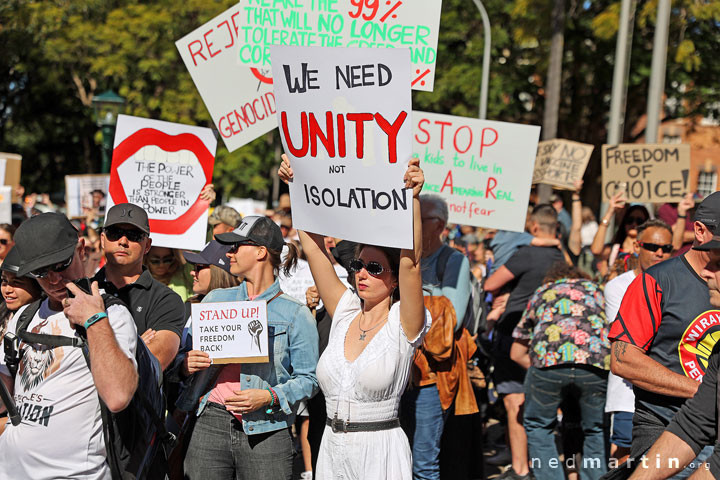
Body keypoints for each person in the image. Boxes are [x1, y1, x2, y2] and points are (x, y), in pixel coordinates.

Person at [279, 154, 430, 480]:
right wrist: (298, 184)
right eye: (358, 265)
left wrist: (413, 200)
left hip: (380, 450)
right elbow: (315, 247)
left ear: (393, 280)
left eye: (374, 267)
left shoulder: (403, 324)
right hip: (332, 447)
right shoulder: (346, 310)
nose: (362, 273)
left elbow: (411, 264)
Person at [179, 214, 319, 480]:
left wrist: (270, 396)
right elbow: (181, 362)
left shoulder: (295, 313)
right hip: (211, 421)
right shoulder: (214, 300)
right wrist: (187, 365)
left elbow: (309, 379)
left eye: (236, 246)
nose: (229, 253)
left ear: (261, 252)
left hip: (268, 426)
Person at [0, 212, 138, 478]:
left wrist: (94, 320)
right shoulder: (24, 316)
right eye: (40, 271)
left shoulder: (113, 315)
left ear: (81, 250)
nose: (53, 280)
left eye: (61, 265)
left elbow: (118, 396)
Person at [609, 191, 720, 476]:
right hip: (667, 428)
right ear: (700, 230)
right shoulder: (657, 281)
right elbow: (624, 360)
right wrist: (706, 395)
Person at [484, 204, 566, 480]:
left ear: (533, 227)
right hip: (550, 340)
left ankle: (520, 469)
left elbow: (490, 284)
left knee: (514, 402)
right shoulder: (562, 258)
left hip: (515, 335)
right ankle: (538, 465)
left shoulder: (527, 254)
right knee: (537, 403)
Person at [626, 242, 720, 480]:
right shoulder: (656, 280)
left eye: (718, 265)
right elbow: (694, 425)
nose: (706, 272)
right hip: (661, 423)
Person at [510, 263, 610, 480]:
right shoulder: (596, 291)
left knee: (538, 426)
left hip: (549, 363)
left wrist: (544, 367)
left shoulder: (543, 291)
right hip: (594, 364)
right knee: (595, 428)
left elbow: (516, 353)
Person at [402, 193, 475, 480]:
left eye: (420, 219)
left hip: (432, 378)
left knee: (423, 462)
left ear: (439, 225)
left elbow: (450, 319)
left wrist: (409, 300)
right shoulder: (404, 255)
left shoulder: (454, 260)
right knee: (398, 456)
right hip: (400, 370)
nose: (412, 223)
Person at [604, 219, 674, 462]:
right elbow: (632, 341)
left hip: (667, 392)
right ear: (637, 246)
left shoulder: (676, 284)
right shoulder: (618, 286)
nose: (660, 253)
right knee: (624, 458)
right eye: (652, 247)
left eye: (667, 248)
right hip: (627, 392)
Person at [93, 203, 185, 371]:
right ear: (102, 240)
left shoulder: (166, 300)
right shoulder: (81, 292)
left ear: (147, 245)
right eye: (114, 233)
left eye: (133, 235)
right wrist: (136, 344)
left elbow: (154, 363)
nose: (123, 241)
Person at [590, 192, 650, 277]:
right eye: (630, 220)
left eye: (639, 221)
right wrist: (610, 212)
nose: (634, 224)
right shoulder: (614, 249)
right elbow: (595, 250)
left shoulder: (649, 251)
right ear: (624, 222)